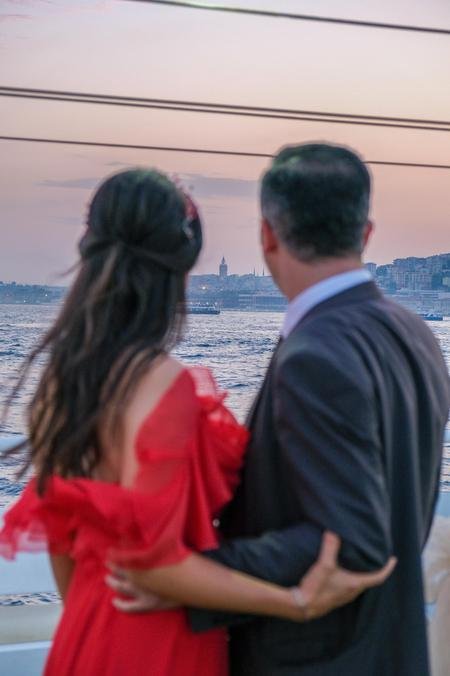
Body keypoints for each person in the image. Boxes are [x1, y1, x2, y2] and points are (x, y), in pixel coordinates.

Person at [0, 168, 393, 676]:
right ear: (181, 266)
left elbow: (62, 540)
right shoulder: (163, 384)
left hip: (87, 626)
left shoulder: (64, 379)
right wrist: (294, 602)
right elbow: (155, 562)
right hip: (157, 643)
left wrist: (92, 617)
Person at [109, 146, 450, 676]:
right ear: (365, 234)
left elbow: (352, 543)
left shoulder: (317, 353)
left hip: (315, 660)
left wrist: (190, 576)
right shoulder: (415, 334)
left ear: (267, 234)